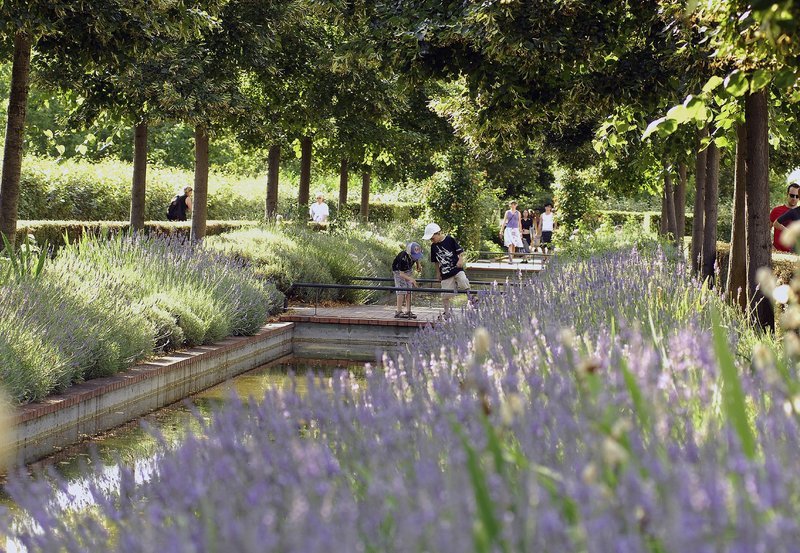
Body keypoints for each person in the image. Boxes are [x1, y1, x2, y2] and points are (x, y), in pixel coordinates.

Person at [423, 222, 470, 320]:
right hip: (445, 273)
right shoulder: (433, 247)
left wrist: (460, 260)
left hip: (456, 269)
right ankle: (447, 312)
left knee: (463, 280)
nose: (432, 240)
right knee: (445, 295)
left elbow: (460, 252)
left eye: (432, 238)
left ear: (438, 233)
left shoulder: (449, 240)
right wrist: (437, 273)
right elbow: (435, 261)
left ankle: (471, 299)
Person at [392, 242, 423, 319]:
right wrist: (411, 279)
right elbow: (401, 274)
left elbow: (417, 258)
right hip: (399, 271)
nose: (415, 257)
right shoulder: (403, 258)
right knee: (402, 289)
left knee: (409, 290)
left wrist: (418, 265)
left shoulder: (415, 255)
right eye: (414, 256)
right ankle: (399, 311)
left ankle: (408, 310)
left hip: (408, 270)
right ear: (409, 253)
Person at [770, 183, 800, 252]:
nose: (794, 198)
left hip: (794, 254)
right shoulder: (776, 210)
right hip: (777, 252)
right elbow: (765, 230)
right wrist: (770, 245)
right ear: (787, 194)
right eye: (792, 195)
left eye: (797, 196)